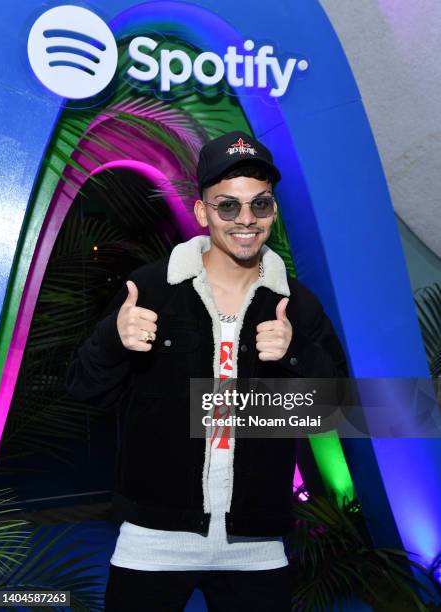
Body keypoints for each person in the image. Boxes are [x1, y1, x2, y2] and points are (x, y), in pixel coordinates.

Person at [65, 130, 348, 611]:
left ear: (273, 212)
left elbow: (337, 409)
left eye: (259, 205)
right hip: (154, 538)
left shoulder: (295, 304)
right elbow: (83, 391)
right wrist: (115, 339)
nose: (245, 220)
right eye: (228, 206)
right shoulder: (149, 289)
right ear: (202, 213)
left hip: (256, 544)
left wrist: (295, 353)